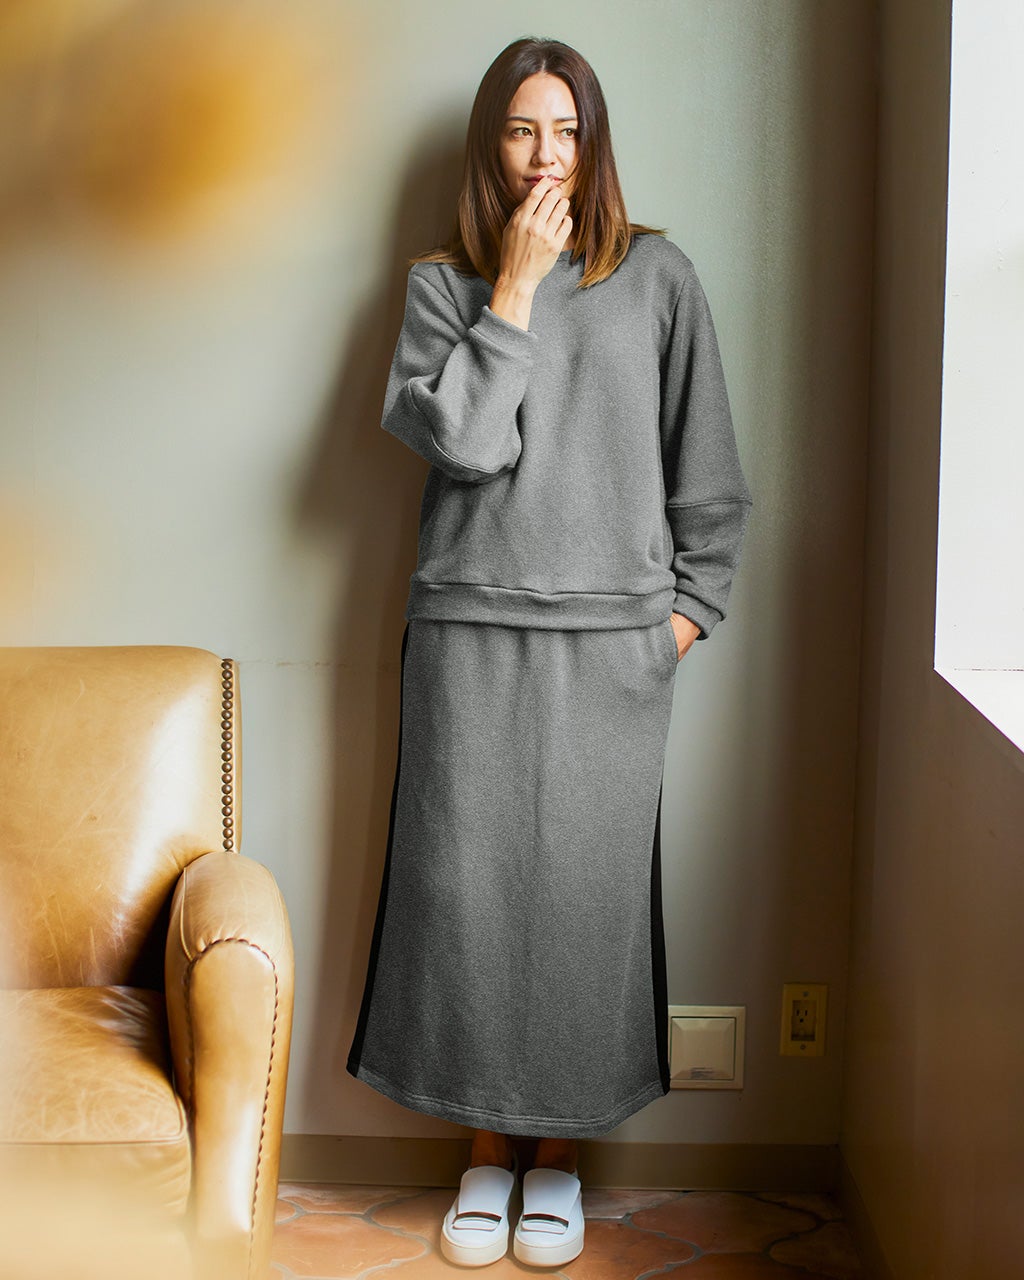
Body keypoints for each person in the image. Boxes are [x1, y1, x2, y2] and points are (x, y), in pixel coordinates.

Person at [347, 36, 751, 1270]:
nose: (544, 156)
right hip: (468, 638)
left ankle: (560, 1161)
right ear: (492, 144)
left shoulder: (659, 277)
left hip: (611, 647)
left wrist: (683, 618)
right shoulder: (440, 287)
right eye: (523, 130)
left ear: (593, 143)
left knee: (583, 907)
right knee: (464, 903)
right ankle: (483, 1151)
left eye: (565, 130)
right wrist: (513, 290)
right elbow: (467, 446)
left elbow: (709, 475)